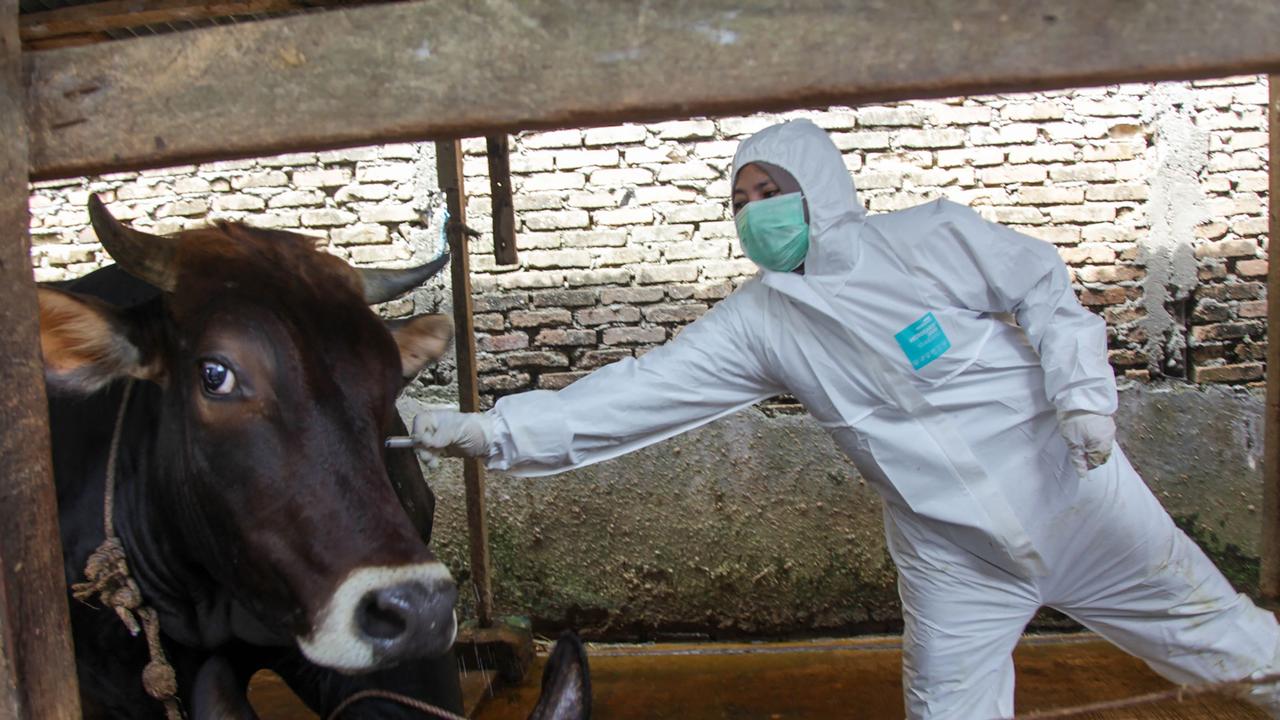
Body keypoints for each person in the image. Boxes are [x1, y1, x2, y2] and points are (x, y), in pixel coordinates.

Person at [412, 118, 1280, 719]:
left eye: (770, 189)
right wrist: (494, 432)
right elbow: (640, 391)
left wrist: (1084, 394)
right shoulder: (759, 322)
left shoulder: (926, 240)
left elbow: (1043, 288)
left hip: (1080, 498)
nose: (755, 211)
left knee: (1233, 649)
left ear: (818, 186)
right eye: (740, 200)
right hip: (954, 560)